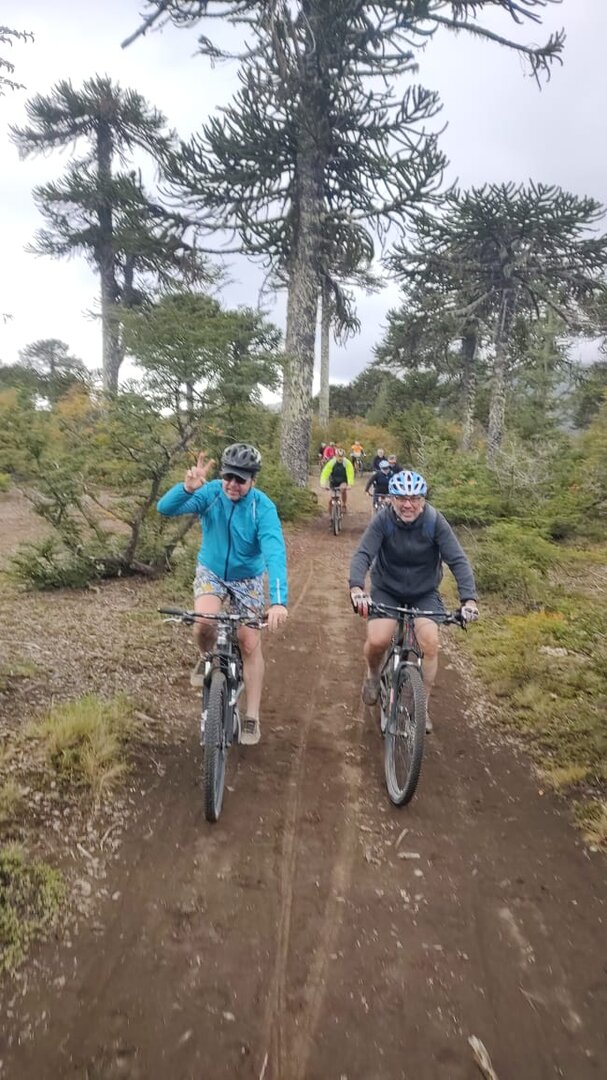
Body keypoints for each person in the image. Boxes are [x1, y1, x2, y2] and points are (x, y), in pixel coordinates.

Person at [157, 443, 288, 746]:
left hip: (248, 577)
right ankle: (205, 657)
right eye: (228, 476)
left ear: (253, 480)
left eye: (241, 479)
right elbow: (165, 509)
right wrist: (187, 489)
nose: (232, 484)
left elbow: (274, 552)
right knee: (204, 622)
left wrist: (279, 601)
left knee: (249, 641)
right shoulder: (211, 493)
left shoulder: (262, 507)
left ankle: (252, 715)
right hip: (212, 570)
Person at [349, 469, 478, 733]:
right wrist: (357, 588)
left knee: (429, 642)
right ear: (391, 499)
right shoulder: (383, 521)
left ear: (423, 499)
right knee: (378, 640)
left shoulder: (434, 521)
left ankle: (422, 706)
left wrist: (469, 600)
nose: (408, 505)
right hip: (387, 589)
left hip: (424, 592)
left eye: (415, 498)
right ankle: (373, 675)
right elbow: (363, 554)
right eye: (401, 498)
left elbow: (457, 560)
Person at [320, 447, 354, 514]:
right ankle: (331, 514)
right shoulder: (332, 463)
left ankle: (344, 505)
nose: (340, 458)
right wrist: (323, 483)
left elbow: (350, 473)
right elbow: (325, 473)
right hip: (334, 481)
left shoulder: (347, 463)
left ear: (344, 456)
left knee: (343, 490)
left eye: (342, 456)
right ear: (335, 456)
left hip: (343, 480)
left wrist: (350, 484)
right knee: (332, 497)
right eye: (338, 456)